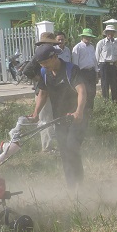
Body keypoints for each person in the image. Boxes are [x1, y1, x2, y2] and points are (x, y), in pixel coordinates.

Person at [30, 44, 87, 189]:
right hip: (59, 119)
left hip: (75, 118)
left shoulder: (71, 69)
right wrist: (36, 112)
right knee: (64, 152)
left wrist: (79, 111)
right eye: (41, 64)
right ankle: (71, 186)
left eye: (46, 63)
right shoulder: (44, 72)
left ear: (54, 57)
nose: (44, 66)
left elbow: (81, 91)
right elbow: (42, 93)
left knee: (71, 147)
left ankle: (79, 182)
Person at [71, 28, 98, 116]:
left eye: (89, 37)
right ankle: (82, 111)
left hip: (91, 72)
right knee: (83, 93)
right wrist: (77, 77)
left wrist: (96, 73)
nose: (88, 38)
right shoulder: (77, 48)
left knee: (92, 93)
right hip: (82, 73)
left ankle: (90, 111)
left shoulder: (92, 47)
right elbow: (75, 63)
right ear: (82, 37)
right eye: (86, 36)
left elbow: (94, 61)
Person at [95, 24, 117, 101]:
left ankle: (114, 102)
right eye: (108, 32)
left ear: (114, 33)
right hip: (104, 65)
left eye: (112, 32)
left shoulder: (116, 43)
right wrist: (97, 69)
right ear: (106, 33)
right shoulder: (101, 43)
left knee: (114, 84)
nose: (110, 34)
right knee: (105, 84)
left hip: (113, 65)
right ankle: (105, 101)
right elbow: (97, 56)